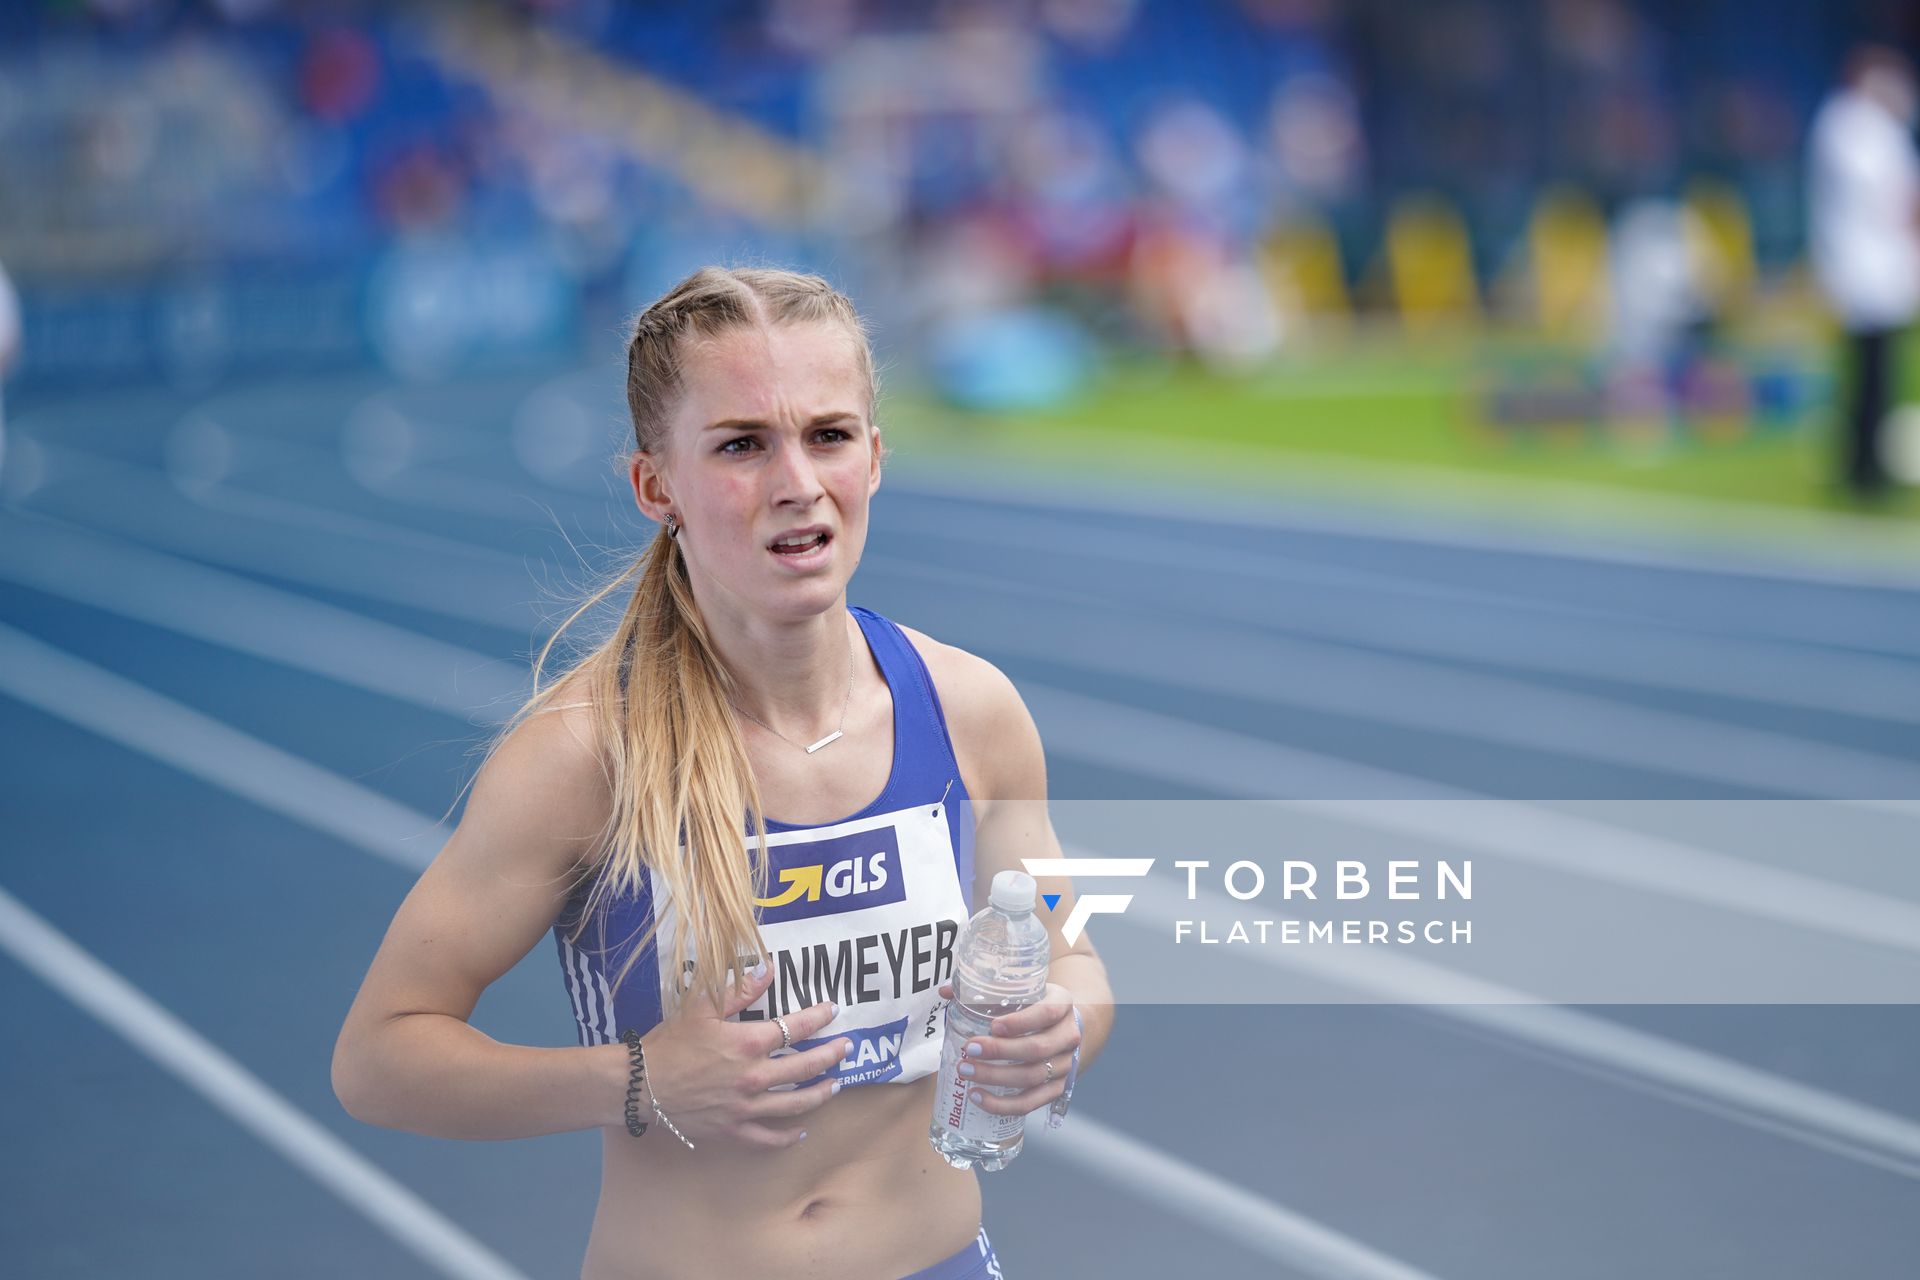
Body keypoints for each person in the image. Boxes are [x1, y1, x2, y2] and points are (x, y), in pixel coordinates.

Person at [332, 266, 1113, 1279]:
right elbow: (379, 1058)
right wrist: (640, 1079)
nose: (797, 480)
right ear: (657, 484)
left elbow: (1075, 957)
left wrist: (1062, 1028)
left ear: (874, 458)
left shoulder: (973, 711)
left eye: (828, 434)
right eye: (742, 444)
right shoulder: (583, 755)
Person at [1807, 45, 1920, 498]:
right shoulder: (1854, 124)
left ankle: (1865, 463)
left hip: (1875, 267)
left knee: (1877, 372)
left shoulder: (1865, 126)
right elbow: (1895, 199)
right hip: (1866, 269)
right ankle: (1864, 471)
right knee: (1870, 374)